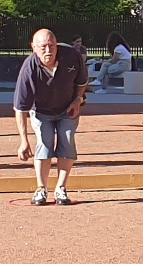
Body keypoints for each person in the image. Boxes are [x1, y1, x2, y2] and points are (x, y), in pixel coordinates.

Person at [14, 28, 89, 205]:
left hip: (68, 108)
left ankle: (61, 189)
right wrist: (23, 141)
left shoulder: (72, 56)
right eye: (43, 47)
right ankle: (41, 189)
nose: (48, 51)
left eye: (51, 45)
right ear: (33, 47)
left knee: (67, 140)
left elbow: (82, 82)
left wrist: (78, 99)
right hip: (41, 111)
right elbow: (20, 108)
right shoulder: (29, 68)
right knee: (44, 142)